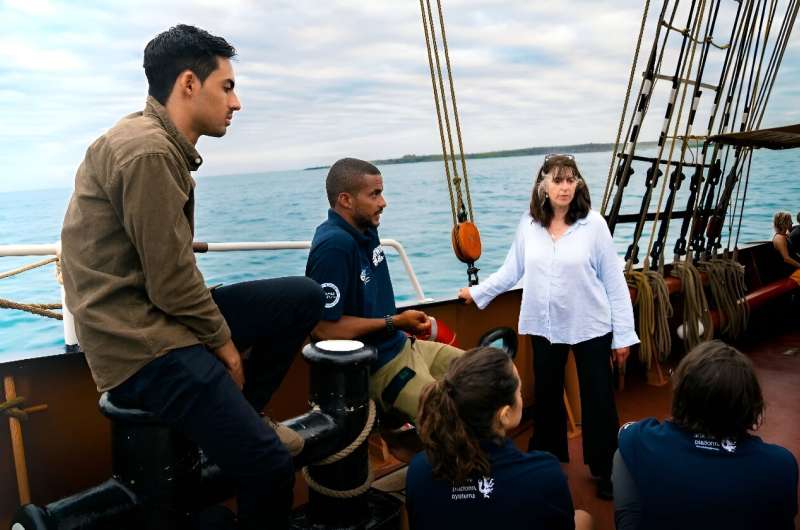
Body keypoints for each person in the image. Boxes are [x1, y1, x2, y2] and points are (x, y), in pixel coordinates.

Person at [60, 25, 324, 529]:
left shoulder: (151, 139)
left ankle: (244, 418)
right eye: (227, 87)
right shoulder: (149, 152)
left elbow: (166, 273)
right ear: (187, 84)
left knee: (301, 297)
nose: (237, 102)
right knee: (270, 467)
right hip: (139, 342)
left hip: (159, 313)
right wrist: (223, 344)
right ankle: (249, 439)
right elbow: (169, 281)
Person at [457, 154, 638, 499]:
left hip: (591, 325)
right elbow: (512, 270)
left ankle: (605, 469)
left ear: (579, 184)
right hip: (545, 325)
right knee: (548, 394)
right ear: (542, 185)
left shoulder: (594, 225)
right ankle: (548, 458)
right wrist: (477, 292)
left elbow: (614, 283)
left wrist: (623, 337)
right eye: (557, 180)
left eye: (571, 180)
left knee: (599, 399)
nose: (565, 187)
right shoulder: (529, 224)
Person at [305, 157, 463, 421]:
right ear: (346, 200)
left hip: (402, 345)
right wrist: (394, 322)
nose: (383, 202)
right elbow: (324, 329)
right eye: (375, 194)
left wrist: (399, 325)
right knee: (446, 418)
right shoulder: (334, 247)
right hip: (379, 366)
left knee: (494, 374)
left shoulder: (365, 229)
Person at [613, 340, 798, 530]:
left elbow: (626, 433)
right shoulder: (780, 465)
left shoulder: (640, 441)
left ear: (681, 395)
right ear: (750, 405)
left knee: (622, 459)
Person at [406, 346, 593, 530]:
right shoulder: (545, 473)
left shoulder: (419, 470)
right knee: (585, 519)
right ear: (504, 414)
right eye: (518, 392)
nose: (520, 396)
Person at [772, 211, 800, 286]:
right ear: (784, 223)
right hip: (788, 271)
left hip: (794, 268)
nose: (792, 223)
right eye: (790, 221)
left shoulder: (785, 235)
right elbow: (786, 258)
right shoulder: (780, 238)